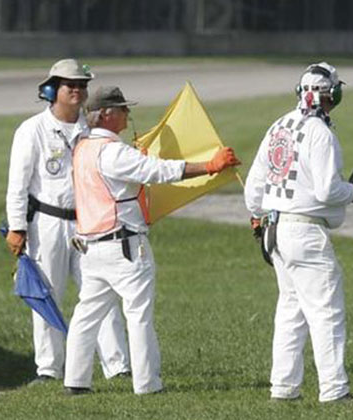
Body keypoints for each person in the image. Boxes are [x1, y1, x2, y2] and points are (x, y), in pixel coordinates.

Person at [64, 86, 241, 395]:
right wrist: (208, 166)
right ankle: (147, 384)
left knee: (86, 315)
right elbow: (158, 171)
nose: (127, 114)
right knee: (138, 316)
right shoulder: (113, 151)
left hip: (92, 247)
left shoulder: (83, 148)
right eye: (122, 109)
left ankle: (75, 381)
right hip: (124, 246)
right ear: (106, 115)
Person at [244, 62, 353, 403]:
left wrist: (258, 217)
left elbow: (254, 189)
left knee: (291, 310)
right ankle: (334, 390)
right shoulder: (320, 133)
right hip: (306, 232)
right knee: (326, 311)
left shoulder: (278, 126)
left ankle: (284, 388)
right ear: (333, 93)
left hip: (275, 229)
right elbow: (328, 191)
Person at [5, 59, 130, 385]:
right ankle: (48, 368)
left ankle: (117, 365)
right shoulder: (32, 129)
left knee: (101, 291)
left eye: (82, 85)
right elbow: (18, 183)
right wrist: (17, 226)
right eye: (69, 85)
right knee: (47, 294)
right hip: (47, 222)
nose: (77, 90)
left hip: (90, 224)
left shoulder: (93, 130)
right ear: (51, 90)